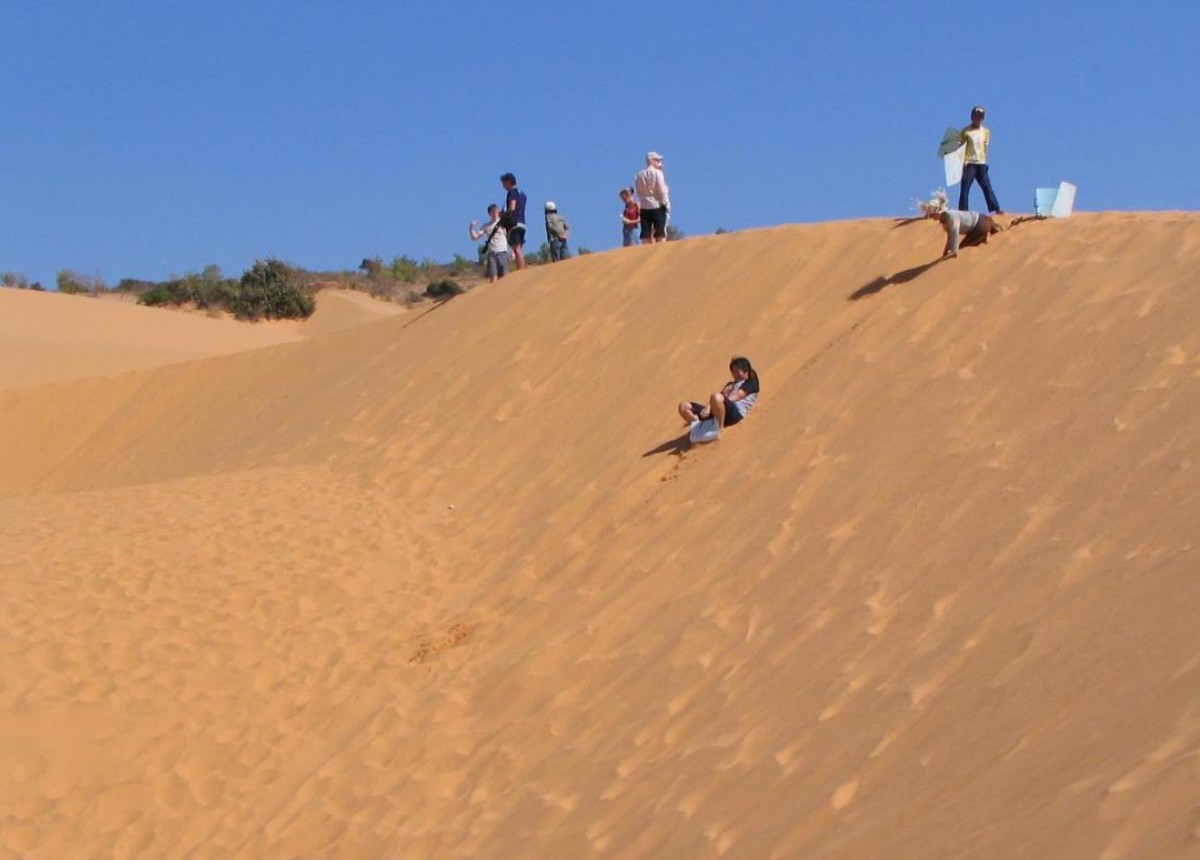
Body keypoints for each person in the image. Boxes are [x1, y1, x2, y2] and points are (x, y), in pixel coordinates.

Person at [678, 357, 760, 435]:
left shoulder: (751, 381)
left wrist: (712, 405)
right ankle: (699, 427)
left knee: (716, 396)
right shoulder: (730, 384)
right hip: (719, 413)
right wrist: (709, 408)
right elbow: (718, 400)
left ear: (746, 371)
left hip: (735, 414)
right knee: (683, 407)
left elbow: (738, 396)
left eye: (737, 371)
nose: (734, 374)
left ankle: (719, 429)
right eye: (733, 371)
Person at [919, 189, 1002, 258]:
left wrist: (954, 251)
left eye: (932, 213)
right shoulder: (944, 221)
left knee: (963, 248)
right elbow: (950, 236)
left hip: (980, 223)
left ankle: (987, 235)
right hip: (981, 221)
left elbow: (954, 234)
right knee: (963, 246)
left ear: (938, 212)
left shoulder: (951, 216)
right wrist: (946, 250)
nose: (931, 216)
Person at [958, 106, 1002, 214]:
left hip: (981, 163)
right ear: (972, 117)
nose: (978, 119)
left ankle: (996, 208)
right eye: (976, 116)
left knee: (986, 186)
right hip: (969, 163)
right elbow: (960, 147)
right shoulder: (965, 131)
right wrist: (962, 162)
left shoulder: (986, 132)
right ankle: (963, 211)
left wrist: (985, 161)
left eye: (980, 117)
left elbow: (985, 147)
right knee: (965, 187)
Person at [635, 152, 670, 244]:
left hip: (644, 207)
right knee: (660, 233)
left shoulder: (639, 175)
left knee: (645, 234)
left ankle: (646, 251)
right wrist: (666, 204)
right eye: (657, 160)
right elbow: (662, 190)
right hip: (657, 206)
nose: (658, 162)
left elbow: (638, 191)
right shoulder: (658, 173)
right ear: (651, 161)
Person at [468, 204, 510, 282]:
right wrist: (471, 228)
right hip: (492, 254)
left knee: (505, 278)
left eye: (496, 212)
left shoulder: (503, 222)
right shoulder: (486, 226)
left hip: (503, 252)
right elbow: (475, 237)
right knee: (493, 279)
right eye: (493, 212)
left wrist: (513, 251)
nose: (495, 214)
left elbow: (510, 235)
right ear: (489, 214)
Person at [500, 172, 528, 270]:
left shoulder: (512, 192)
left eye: (504, 184)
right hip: (522, 223)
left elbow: (512, 207)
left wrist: (502, 215)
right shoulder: (522, 194)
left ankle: (521, 271)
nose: (503, 186)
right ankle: (522, 269)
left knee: (516, 249)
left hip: (514, 224)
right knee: (518, 248)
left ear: (508, 182)